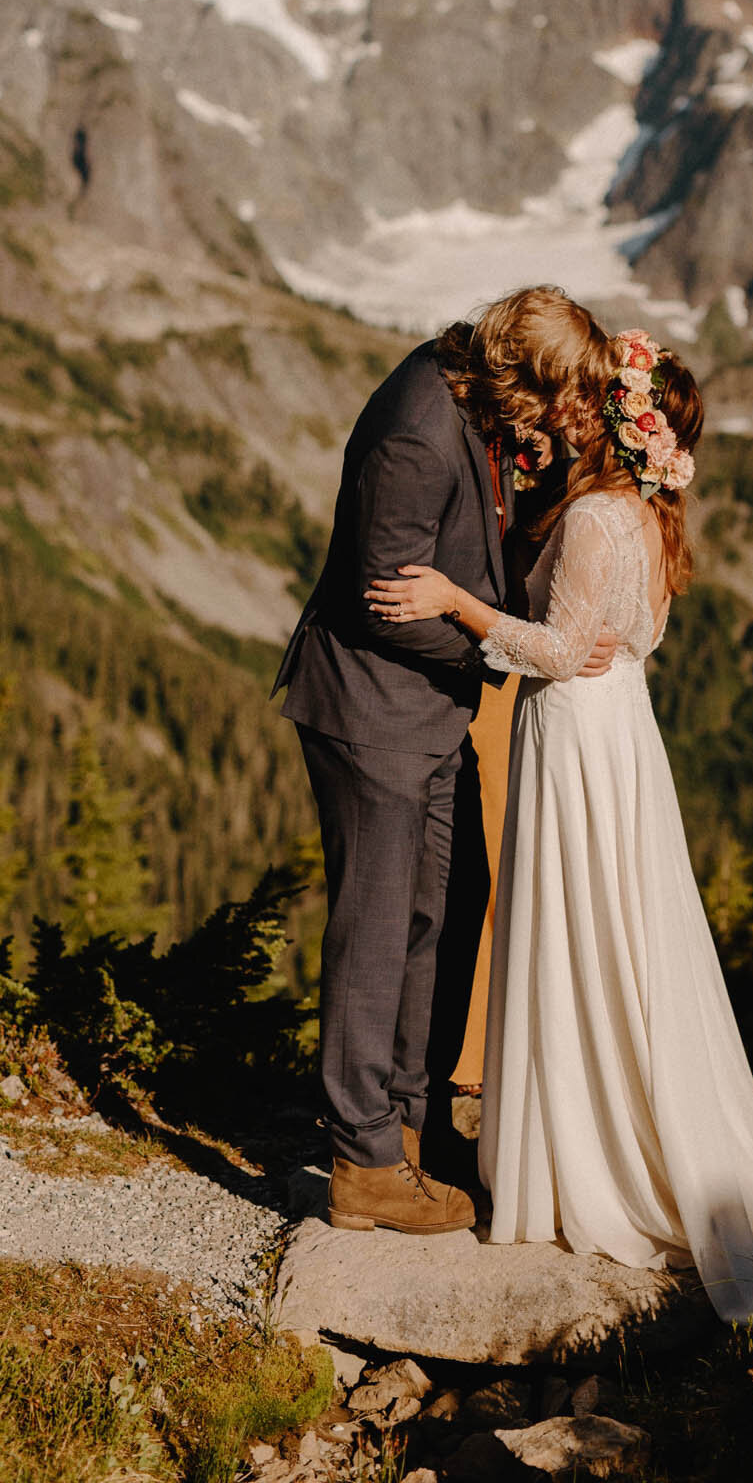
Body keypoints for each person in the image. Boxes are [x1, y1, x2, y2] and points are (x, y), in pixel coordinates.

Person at [367, 329, 753, 1318]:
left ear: (624, 423)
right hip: (618, 734)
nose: (578, 410)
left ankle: (577, 1159)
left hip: (577, 737)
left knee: (574, 934)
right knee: (611, 938)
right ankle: (599, 1127)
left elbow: (549, 652)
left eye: (599, 400)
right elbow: (614, 643)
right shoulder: (646, 518)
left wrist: (451, 598)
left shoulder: (594, 517)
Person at [272, 286, 617, 1236]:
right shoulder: (418, 431)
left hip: (426, 717)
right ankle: (361, 1162)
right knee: (376, 930)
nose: (562, 416)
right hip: (371, 711)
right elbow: (384, 597)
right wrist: (506, 648)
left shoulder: (478, 403)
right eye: (557, 399)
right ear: (521, 379)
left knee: (447, 908)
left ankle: (413, 1128)